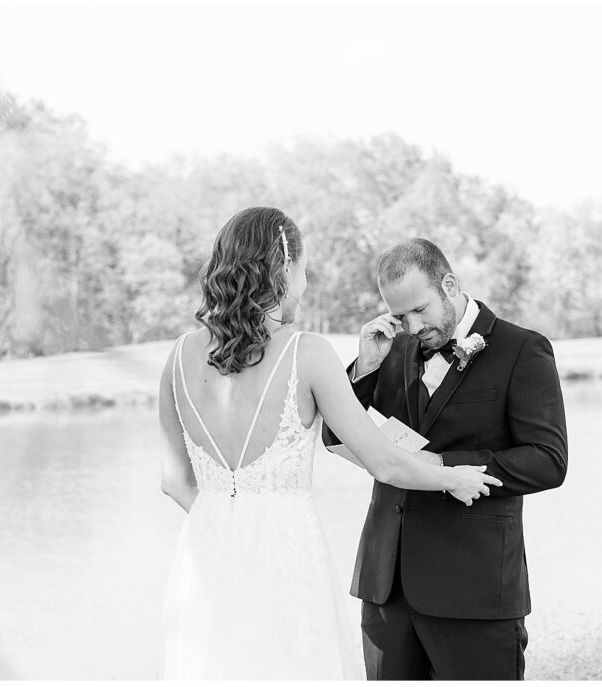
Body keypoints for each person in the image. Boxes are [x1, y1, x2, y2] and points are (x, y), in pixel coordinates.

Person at [157, 208, 501, 679]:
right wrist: (451, 477)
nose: (305, 283)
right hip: (287, 559)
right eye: (303, 270)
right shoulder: (307, 353)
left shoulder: (177, 357)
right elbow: (383, 463)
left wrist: (228, 528)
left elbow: (174, 483)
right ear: (282, 270)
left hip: (205, 560)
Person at [322, 237, 568, 680]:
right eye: (400, 316)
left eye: (420, 310)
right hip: (387, 589)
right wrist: (364, 369)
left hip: (473, 590)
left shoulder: (522, 350)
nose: (412, 326)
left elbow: (549, 460)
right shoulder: (391, 350)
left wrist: (444, 467)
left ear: (449, 284)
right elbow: (337, 434)